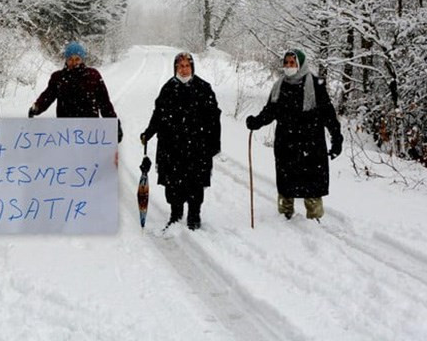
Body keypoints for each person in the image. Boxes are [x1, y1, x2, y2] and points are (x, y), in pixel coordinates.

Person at [245, 49, 343, 221]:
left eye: (292, 63)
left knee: (312, 184)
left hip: (311, 144)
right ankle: (284, 217)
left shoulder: (315, 85)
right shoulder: (279, 86)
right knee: (286, 183)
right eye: (286, 63)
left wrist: (337, 139)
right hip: (286, 143)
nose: (288, 66)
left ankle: (315, 220)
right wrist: (256, 122)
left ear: (301, 64)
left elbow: (328, 115)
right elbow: (270, 111)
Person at [140, 52, 221, 231]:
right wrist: (149, 132)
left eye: (187, 66)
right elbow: (158, 115)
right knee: (173, 183)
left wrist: (214, 144)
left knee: (196, 182)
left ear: (192, 67)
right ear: (175, 68)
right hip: (172, 146)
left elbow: (214, 118)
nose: (184, 70)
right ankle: (175, 215)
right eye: (180, 66)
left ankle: (194, 215)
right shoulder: (168, 89)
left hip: (197, 147)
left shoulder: (203, 88)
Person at [28, 41, 123, 142]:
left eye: (77, 59)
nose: (74, 63)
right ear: (66, 59)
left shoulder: (93, 76)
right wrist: (37, 107)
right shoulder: (58, 77)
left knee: (89, 157)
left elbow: (104, 103)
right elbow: (48, 95)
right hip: (65, 132)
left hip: (90, 132)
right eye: (70, 59)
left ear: (82, 59)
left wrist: (114, 124)